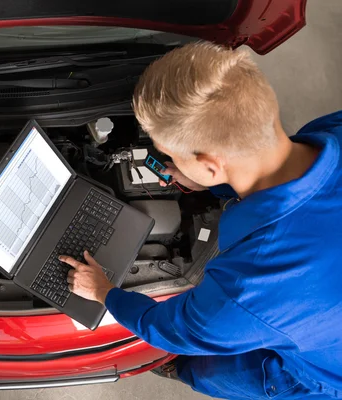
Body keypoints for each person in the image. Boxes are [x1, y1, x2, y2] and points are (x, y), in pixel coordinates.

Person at [60, 42, 342, 399]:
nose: (166, 159)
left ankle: (178, 368)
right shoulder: (337, 128)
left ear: (211, 163)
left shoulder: (250, 285)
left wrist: (104, 292)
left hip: (325, 372)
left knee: (214, 372)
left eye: (168, 152)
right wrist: (218, 181)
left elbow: (167, 328)